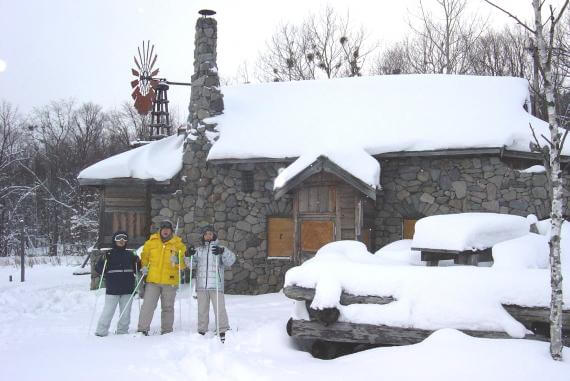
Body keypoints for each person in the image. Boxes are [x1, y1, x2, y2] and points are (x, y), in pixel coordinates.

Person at [185, 225, 235, 343]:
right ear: (203, 236)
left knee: (219, 308)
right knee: (202, 309)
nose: (208, 236)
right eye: (206, 234)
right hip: (202, 285)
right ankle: (202, 329)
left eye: (210, 234)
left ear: (214, 235)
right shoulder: (199, 250)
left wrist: (223, 252)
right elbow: (191, 266)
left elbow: (231, 261)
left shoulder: (220, 248)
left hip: (216, 284)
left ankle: (223, 328)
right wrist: (188, 255)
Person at [137, 220, 186, 335]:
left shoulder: (178, 244)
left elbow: (184, 265)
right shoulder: (151, 242)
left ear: (171, 230)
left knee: (168, 307)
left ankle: (167, 331)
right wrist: (143, 267)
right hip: (153, 281)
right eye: (163, 228)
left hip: (170, 281)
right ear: (160, 229)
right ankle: (142, 329)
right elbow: (145, 257)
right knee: (148, 305)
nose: (165, 230)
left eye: (168, 229)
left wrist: (178, 260)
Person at [94, 231, 141, 336]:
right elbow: (99, 269)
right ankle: (101, 331)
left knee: (125, 313)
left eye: (124, 238)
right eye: (119, 238)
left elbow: (137, 269)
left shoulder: (130, 255)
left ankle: (122, 331)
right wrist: (102, 260)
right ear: (114, 240)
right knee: (108, 311)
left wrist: (138, 262)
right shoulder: (109, 254)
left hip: (128, 288)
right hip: (113, 289)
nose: (121, 241)